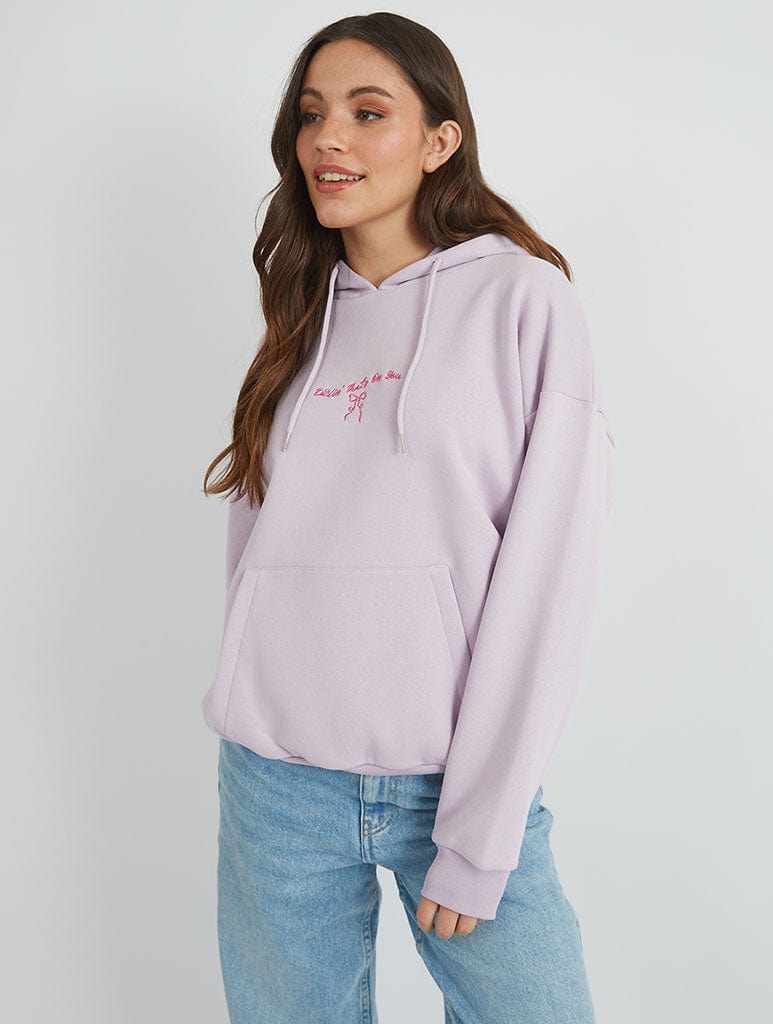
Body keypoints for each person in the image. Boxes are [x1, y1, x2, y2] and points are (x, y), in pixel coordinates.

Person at [200, 11, 616, 1023]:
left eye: (366, 112)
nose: (327, 139)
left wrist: (480, 828)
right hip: (276, 786)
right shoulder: (298, 316)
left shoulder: (523, 301)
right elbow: (258, 548)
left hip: (451, 783)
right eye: (311, 115)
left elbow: (548, 575)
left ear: (440, 140)